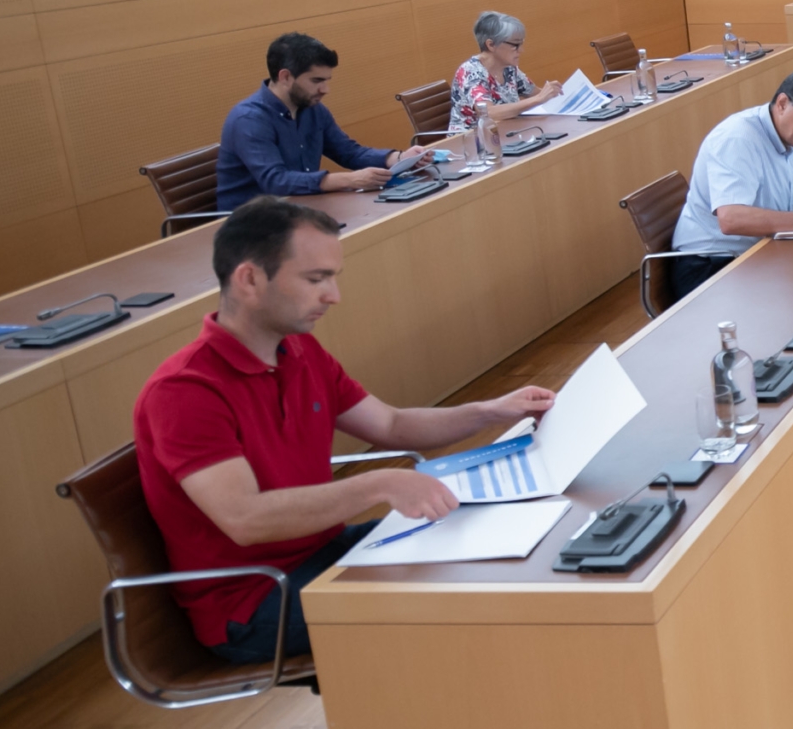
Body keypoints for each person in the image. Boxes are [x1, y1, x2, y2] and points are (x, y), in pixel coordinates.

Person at [132, 198, 558, 664]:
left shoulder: (300, 350)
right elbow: (246, 519)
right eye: (316, 279)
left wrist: (490, 411)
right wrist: (378, 484)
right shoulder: (185, 390)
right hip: (255, 600)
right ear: (250, 279)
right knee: (467, 593)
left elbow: (390, 424)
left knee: (489, 540)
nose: (333, 296)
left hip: (324, 551)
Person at [670, 70, 793, 302]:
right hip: (711, 264)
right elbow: (731, 219)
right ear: (783, 104)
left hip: (763, 250)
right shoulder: (737, 139)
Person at [217, 32, 428, 207]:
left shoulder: (312, 109)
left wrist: (398, 158)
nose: (325, 90)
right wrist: (350, 179)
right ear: (285, 77)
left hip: (297, 208)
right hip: (250, 224)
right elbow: (276, 181)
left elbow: (349, 152)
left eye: (326, 80)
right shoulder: (249, 119)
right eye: (316, 80)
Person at [449, 11, 551, 134]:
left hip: (506, 132)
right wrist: (539, 99)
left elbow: (537, 94)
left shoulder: (509, 68)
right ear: (491, 45)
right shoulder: (471, 72)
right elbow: (489, 113)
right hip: (472, 140)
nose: (521, 50)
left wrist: (552, 93)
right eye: (515, 45)